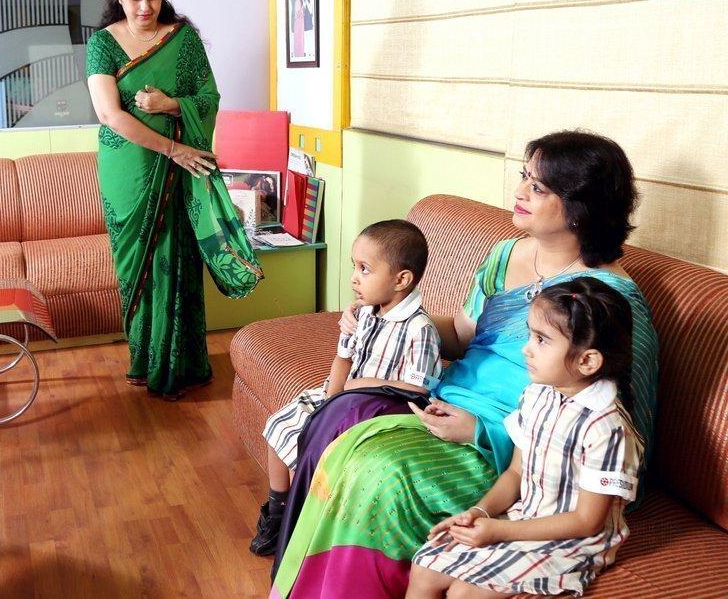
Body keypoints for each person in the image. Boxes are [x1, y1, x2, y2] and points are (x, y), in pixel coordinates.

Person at [272, 131, 659, 598]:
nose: (519, 192)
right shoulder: (505, 254)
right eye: (524, 177)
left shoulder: (608, 301)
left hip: (502, 442)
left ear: (580, 207)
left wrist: (480, 431)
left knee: (376, 469)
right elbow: (459, 334)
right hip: (441, 399)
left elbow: (614, 422)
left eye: (537, 187)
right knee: (336, 413)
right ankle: (300, 568)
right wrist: (388, 314)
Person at [85, 0, 262, 400]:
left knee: (178, 257)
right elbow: (109, 114)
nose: (145, 7)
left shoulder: (182, 39)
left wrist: (169, 105)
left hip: (178, 172)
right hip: (129, 169)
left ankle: (182, 364)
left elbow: (208, 97)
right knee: (135, 264)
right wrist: (174, 149)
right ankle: (145, 361)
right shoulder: (102, 43)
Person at [408, 277, 643, 597]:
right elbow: (516, 472)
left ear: (587, 361)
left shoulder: (607, 428)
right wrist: (479, 513)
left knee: (464, 593)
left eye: (541, 340)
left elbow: (587, 521)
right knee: (425, 566)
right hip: (523, 517)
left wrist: (499, 530)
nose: (526, 349)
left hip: (572, 542)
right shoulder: (536, 395)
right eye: (531, 335)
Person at [252, 220, 441, 556]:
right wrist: (329, 402)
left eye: (364, 269)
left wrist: (362, 385)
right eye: (354, 266)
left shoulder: (420, 329)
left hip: (375, 408)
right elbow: (342, 359)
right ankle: (277, 512)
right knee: (279, 425)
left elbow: (418, 389)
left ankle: (303, 520)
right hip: (342, 397)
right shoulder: (363, 313)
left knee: (311, 449)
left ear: (401, 280)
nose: (354, 277)